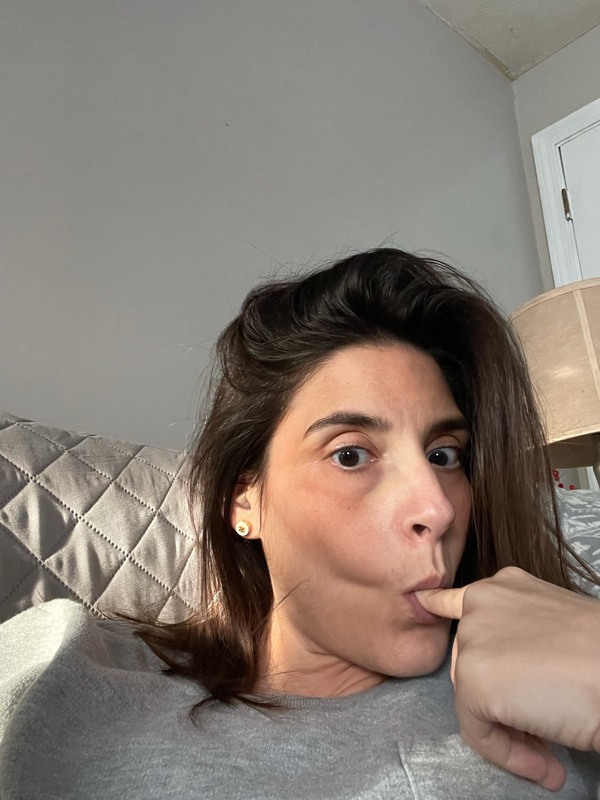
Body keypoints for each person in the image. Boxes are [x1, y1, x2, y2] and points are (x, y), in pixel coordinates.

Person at [1, 247, 599, 799]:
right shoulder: (65, 666)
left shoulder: (553, 669)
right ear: (244, 501)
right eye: (351, 455)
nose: (437, 509)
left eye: (444, 456)